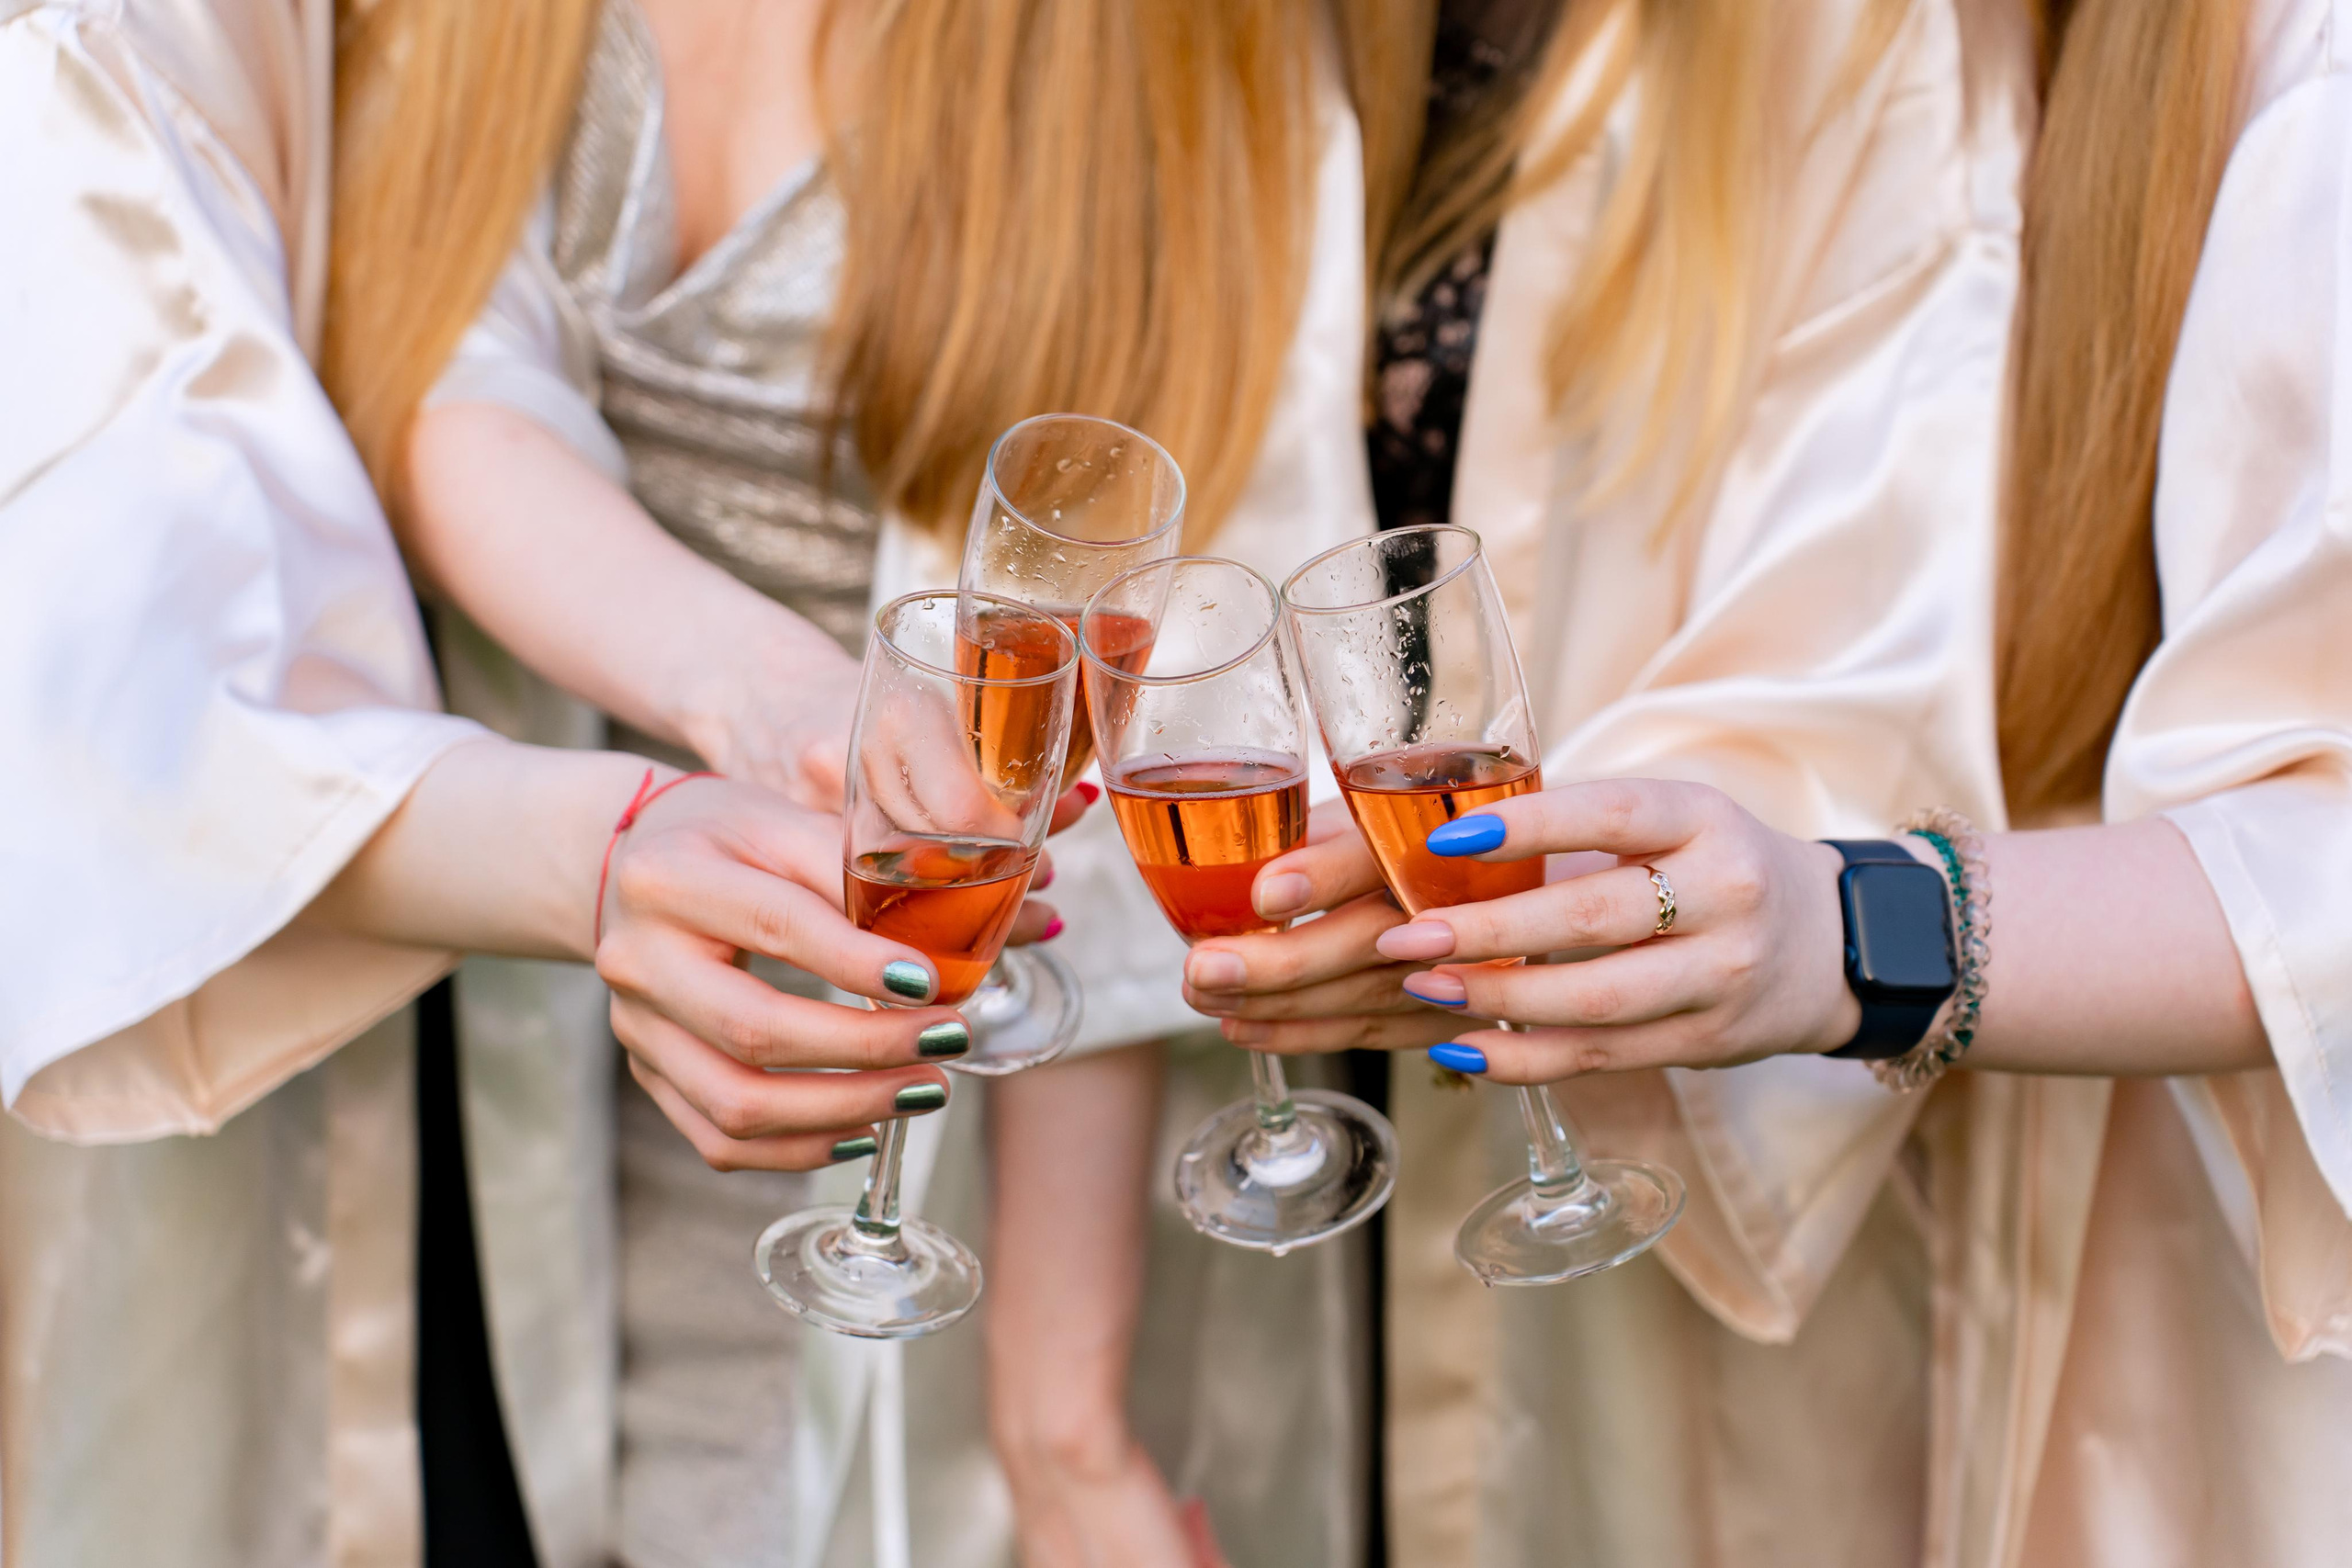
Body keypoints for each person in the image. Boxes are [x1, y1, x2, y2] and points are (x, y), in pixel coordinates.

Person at [1240, 0, 2352, 1562]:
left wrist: (1844, 926)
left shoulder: (2303, 76)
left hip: (2199, 1280)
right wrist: (1601, 907)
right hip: (1872, 1219)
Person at [328, 2, 1396, 1562]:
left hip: (1004, 1123)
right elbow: (443, 372)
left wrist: (1058, 1414)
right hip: (560, 1004)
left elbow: (1139, 737)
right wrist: (773, 699)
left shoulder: (1173, 47)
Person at [0, 2, 1002, 1562]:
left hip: (677, 976)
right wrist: (620, 836)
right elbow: (129, 675)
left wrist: (765, 702)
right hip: (361, 1028)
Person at [1177, 0, 2033, 1559]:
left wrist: (1553, 899)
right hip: (1274, 1079)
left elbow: (1876, 602)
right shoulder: (1236, 46)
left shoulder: (1855, 45)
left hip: (1629, 1099)